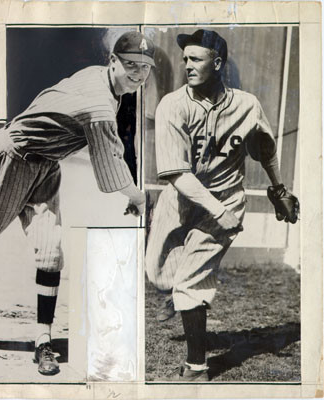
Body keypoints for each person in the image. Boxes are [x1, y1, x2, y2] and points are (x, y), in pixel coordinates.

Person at [0, 31, 155, 376]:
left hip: (44, 167)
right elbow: (108, 161)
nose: (138, 74)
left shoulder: (101, 81)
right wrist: (138, 196)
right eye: (131, 66)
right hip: (10, 157)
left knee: (50, 251)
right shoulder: (99, 101)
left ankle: (42, 341)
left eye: (145, 67)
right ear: (113, 62)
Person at [145, 29, 299, 381]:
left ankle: (197, 368)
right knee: (157, 274)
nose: (187, 65)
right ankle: (184, 299)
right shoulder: (173, 105)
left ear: (218, 63)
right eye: (184, 59)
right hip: (182, 198)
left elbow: (265, 150)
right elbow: (178, 176)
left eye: (195, 59)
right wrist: (217, 211)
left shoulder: (247, 104)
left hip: (226, 199)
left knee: (189, 282)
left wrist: (279, 190)